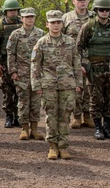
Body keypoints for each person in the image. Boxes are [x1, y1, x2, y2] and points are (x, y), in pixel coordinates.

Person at [30, 10, 80, 160]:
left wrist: (79, 83)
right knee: (51, 116)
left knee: (65, 116)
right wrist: (36, 86)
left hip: (67, 85)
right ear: (47, 24)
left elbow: (76, 63)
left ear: (62, 24)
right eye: (52, 22)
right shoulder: (42, 43)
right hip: (49, 85)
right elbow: (35, 65)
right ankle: (52, 146)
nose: (56, 25)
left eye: (58, 22)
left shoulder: (70, 42)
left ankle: (63, 146)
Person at [77, 0, 110, 141]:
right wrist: (84, 64)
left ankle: (107, 127)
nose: (104, 12)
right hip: (94, 69)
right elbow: (79, 47)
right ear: (96, 11)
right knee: (95, 99)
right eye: (101, 9)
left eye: (107, 10)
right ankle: (97, 128)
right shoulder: (88, 26)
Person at [7, 7, 45, 140]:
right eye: (27, 17)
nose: (30, 19)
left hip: (37, 74)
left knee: (36, 102)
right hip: (21, 74)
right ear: (22, 18)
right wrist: (12, 71)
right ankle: (24, 129)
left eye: (32, 17)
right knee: (23, 102)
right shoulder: (15, 34)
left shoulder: (41, 34)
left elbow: (45, 55)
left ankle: (34, 129)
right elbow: (10, 53)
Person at [0, 0, 23, 128]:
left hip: (20, 62)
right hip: (4, 61)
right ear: (5, 11)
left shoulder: (22, 24)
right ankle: (9, 116)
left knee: (20, 89)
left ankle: (18, 116)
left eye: (14, 10)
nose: (12, 13)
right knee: (7, 90)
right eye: (10, 10)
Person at [62, 0, 92, 129]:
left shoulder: (93, 17)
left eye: (84, 0)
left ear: (87, 1)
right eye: (79, 0)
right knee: (76, 89)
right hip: (72, 59)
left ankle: (88, 116)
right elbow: (59, 38)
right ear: (74, 1)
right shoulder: (66, 18)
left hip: (90, 59)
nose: (82, 2)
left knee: (90, 89)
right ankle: (77, 117)